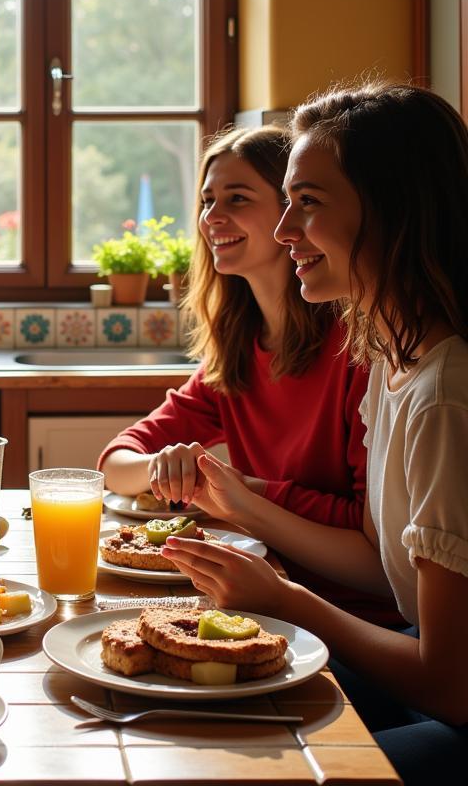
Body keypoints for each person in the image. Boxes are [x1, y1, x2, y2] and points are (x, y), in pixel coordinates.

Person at [164, 84, 468, 783]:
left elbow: (450, 686)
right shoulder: (392, 362)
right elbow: (377, 563)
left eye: (309, 203)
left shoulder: (445, 396)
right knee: (199, 720)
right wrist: (243, 509)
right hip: (414, 655)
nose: (283, 231)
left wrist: (287, 602)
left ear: (391, 211)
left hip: (452, 706)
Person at [99, 126, 400, 625]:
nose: (212, 218)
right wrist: (169, 466)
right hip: (270, 595)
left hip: (354, 620)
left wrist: (245, 491)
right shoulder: (238, 351)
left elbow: (371, 537)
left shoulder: (359, 352)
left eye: (237, 199)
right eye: (206, 200)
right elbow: (114, 461)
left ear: (290, 213)